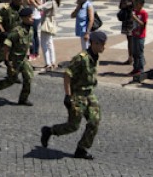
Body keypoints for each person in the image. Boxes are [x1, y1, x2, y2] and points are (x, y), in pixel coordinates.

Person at [41, 31, 107, 160]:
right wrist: (68, 95)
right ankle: (49, 131)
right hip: (78, 95)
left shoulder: (95, 56)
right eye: (102, 44)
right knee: (73, 126)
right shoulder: (81, 58)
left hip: (89, 93)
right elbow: (67, 74)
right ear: (94, 43)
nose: (104, 47)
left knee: (94, 122)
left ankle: (81, 149)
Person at [0, 7, 35, 105]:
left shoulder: (30, 28)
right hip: (14, 60)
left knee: (28, 78)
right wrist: (7, 60)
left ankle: (23, 99)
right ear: (24, 18)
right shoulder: (16, 31)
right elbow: (6, 46)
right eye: (30, 17)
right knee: (11, 80)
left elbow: (27, 42)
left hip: (23, 59)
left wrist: (30, 49)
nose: (32, 18)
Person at [119, 0, 141, 66]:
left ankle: (137, 58)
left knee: (137, 40)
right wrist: (126, 5)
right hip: (127, 20)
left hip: (136, 19)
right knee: (130, 39)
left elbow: (136, 5)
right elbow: (120, 5)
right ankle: (130, 57)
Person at [39, 0, 60, 71]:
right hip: (51, 23)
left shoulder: (50, 2)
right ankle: (52, 61)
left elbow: (40, 7)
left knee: (44, 43)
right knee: (50, 43)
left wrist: (34, 2)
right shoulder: (55, 2)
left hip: (46, 23)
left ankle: (48, 63)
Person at [129, 0, 148, 76]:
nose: (135, 6)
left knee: (139, 52)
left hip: (140, 35)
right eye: (135, 4)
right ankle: (135, 68)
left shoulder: (144, 13)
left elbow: (143, 24)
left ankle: (141, 69)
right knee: (134, 52)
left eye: (137, 4)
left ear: (141, 5)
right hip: (134, 34)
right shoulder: (135, 12)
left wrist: (135, 18)